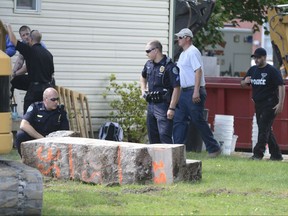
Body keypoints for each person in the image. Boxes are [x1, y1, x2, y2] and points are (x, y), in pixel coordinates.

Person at [173, 28, 221, 158]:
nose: (178, 39)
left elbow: (198, 71)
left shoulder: (193, 52)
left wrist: (196, 91)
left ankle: (214, 148)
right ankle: (176, 150)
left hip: (194, 90)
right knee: (179, 120)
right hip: (184, 91)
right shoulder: (183, 54)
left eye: (180, 37)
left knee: (197, 119)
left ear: (188, 38)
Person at [241, 47, 285, 161]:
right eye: (255, 58)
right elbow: (242, 83)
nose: (256, 60)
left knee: (263, 128)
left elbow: (281, 86)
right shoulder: (253, 70)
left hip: (270, 103)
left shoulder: (272, 71)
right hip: (258, 104)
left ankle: (258, 154)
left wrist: (280, 103)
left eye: (258, 58)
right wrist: (245, 82)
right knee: (265, 129)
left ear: (264, 57)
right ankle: (276, 155)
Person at [7, 24, 55, 114]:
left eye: (27, 35)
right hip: (47, 87)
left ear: (30, 39)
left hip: (35, 87)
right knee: (43, 114)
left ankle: (6, 108)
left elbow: (13, 41)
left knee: (28, 114)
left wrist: (9, 28)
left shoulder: (30, 50)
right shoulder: (49, 54)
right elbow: (51, 73)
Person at [140, 40, 181, 144]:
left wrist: (171, 108)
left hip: (163, 106)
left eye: (148, 51)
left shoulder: (169, 67)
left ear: (156, 50)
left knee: (164, 137)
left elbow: (177, 88)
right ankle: (156, 161)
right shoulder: (149, 64)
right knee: (152, 137)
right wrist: (143, 90)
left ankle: (169, 160)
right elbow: (142, 76)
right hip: (151, 105)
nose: (147, 54)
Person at [15, 87, 69, 157]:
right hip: (37, 137)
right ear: (45, 99)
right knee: (20, 135)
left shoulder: (60, 112)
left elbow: (65, 131)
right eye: (53, 99)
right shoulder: (35, 107)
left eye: (57, 99)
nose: (56, 102)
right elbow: (23, 125)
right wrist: (42, 139)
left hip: (53, 141)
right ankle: (24, 159)